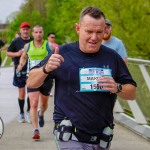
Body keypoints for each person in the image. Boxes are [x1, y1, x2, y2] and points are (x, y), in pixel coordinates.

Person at [27, 6, 137, 150]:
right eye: (89, 31)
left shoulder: (112, 57)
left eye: (99, 32)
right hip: (69, 135)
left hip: (101, 137)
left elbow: (132, 93)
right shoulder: (62, 53)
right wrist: (45, 68)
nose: (94, 37)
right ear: (78, 29)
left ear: (105, 30)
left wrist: (117, 87)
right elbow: (31, 82)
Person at [17, 25, 54, 140]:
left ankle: (41, 113)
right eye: (36, 32)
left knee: (43, 104)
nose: (38, 34)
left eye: (40, 32)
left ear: (43, 33)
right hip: (32, 78)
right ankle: (35, 130)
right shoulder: (27, 46)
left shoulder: (49, 45)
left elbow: (55, 58)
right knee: (33, 103)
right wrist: (20, 65)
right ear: (32, 34)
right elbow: (23, 57)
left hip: (46, 78)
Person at [7, 22, 33, 123]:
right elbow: (8, 53)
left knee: (31, 93)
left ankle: (29, 112)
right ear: (20, 30)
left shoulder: (32, 40)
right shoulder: (16, 41)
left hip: (32, 70)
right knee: (22, 93)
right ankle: (21, 113)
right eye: (24, 29)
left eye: (27, 29)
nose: (25, 31)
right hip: (20, 69)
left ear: (29, 30)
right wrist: (17, 53)